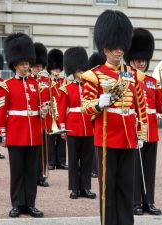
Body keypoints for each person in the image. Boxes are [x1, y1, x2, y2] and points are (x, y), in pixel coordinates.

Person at [81, 10, 148, 225]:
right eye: (115, 48)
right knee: (107, 191)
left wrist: (141, 132)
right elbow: (86, 108)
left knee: (126, 189)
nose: (119, 51)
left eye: (121, 47)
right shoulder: (94, 75)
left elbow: (141, 106)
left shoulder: (133, 75)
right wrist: (100, 103)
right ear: (105, 48)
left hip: (128, 139)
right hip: (107, 138)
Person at [0, 33, 46, 218]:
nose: (26, 67)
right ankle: (17, 204)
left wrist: (44, 112)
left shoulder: (36, 84)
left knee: (31, 173)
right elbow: (1, 111)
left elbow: (42, 109)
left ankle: (30, 204)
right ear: (15, 64)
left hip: (33, 133)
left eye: (27, 63)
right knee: (17, 172)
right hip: (16, 133)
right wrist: (1, 134)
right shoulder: (6, 85)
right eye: (23, 64)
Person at [124, 28, 162, 215]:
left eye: (143, 60)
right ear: (131, 60)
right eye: (137, 60)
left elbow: (160, 105)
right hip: (134, 129)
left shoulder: (151, 82)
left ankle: (149, 201)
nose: (140, 63)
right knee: (135, 168)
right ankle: (135, 202)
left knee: (149, 168)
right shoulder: (126, 79)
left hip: (152, 131)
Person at [59, 47, 96, 199]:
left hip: (89, 126)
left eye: (83, 71)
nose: (81, 74)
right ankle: (74, 188)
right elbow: (62, 109)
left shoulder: (91, 87)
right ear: (73, 72)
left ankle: (85, 187)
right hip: (73, 127)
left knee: (87, 159)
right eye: (78, 72)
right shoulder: (66, 88)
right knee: (74, 160)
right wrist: (62, 127)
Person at [31, 42, 50, 187]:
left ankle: (42, 175)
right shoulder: (30, 80)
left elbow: (49, 97)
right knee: (34, 150)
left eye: (41, 66)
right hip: (32, 119)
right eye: (37, 66)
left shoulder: (45, 80)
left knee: (44, 149)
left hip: (44, 118)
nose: (39, 69)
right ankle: (34, 174)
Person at [47, 49, 68, 170]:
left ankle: (61, 161)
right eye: (54, 68)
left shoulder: (64, 81)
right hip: (51, 112)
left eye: (58, 68)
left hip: (62, 112)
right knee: (50, 138)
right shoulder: (47, 81)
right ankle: (50, 161)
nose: (56, 70)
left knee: (62, 137)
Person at [88, 52, 106, 178]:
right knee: (94, 145)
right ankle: (94, 168)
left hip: (104, 114)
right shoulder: (92, 78)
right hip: (94, 113)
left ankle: (97, 168)